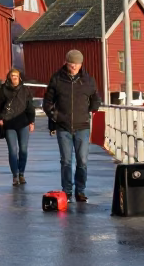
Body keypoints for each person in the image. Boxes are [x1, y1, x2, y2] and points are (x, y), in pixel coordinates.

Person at [43, 50, 101, 203]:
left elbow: (96, 98)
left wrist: (91, 109)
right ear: (66, 62)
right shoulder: (57, 79)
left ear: (81, 64)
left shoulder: (87, 80)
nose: (74, 66)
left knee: (82, 160)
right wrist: (55, 116)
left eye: (77, 63)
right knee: (66, 161)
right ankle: (67, 192)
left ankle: (80, 191)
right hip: (63, 127)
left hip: (82, 126)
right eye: (71, 63)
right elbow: (47, 102)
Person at [0, 68, 35, 186]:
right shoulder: (3, 90)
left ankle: (21, 173)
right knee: (12, 150)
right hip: (9, 124)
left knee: (23, 149)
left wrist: (31, 122)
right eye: (12, 75)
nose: (15, 77)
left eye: (17, 75)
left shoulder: (25, 90)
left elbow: (30, 107)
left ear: (20, 77)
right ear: (9, 77)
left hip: (23, 123)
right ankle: (15, 175)